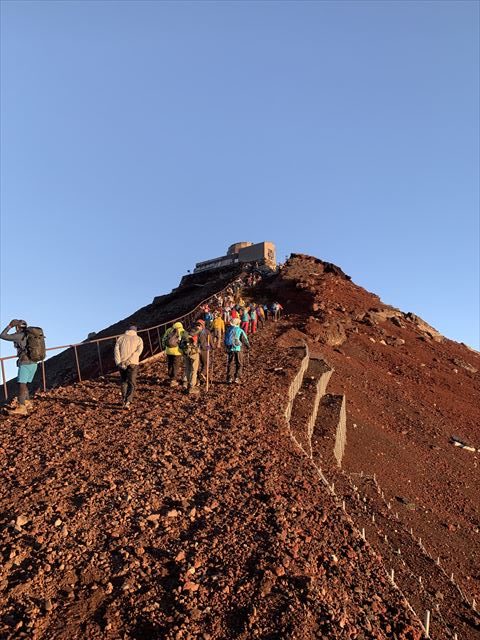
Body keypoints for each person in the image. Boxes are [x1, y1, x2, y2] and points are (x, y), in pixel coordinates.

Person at [0, 319, 41, 415]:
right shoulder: (30, 335)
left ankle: (22, 407)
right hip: (34, 362)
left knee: (22, 384)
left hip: (25, 362)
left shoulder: (19, 336)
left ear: (17, 327)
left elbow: (2, 335)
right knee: (23, 383)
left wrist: (9, 325)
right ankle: (27, 403)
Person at [114, 325, 144, 409]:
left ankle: (124, 399)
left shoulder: (121, 338)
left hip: (121, 363)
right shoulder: (139, 339)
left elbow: (116, 351)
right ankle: (128, 401)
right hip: (133, 363)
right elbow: (138, 352)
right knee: (132, 383)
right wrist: (129, 361)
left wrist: (119, 362)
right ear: (135, 331)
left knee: (124, 381)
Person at [224, 317, 249, 384]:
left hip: (230, 349)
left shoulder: (228, 330)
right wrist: (248, 346)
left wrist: (226, 347)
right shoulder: (240, 330)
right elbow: (244, 340)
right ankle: (237, 378)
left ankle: (229, 378)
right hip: (238, 349)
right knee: (239, 363)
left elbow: (225, 339)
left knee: (230, 363)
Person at [162, 322, 186, 386]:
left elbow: (163, 339)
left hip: (168, 351)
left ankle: (170, 377)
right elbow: (185, 342)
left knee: (170, 364)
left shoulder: (169, 330)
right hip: (177, 351)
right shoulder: (182, 331)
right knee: (176, 365)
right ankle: (173, 380)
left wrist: (164, 348)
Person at [179, 328, 200, 394]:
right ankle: (192, 386)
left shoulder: (185, 336)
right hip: (194, 354)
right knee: (194, 370)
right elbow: (200, 345)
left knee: (187, 369)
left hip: (185, 354)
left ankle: (186, 383)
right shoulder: (194, 337)